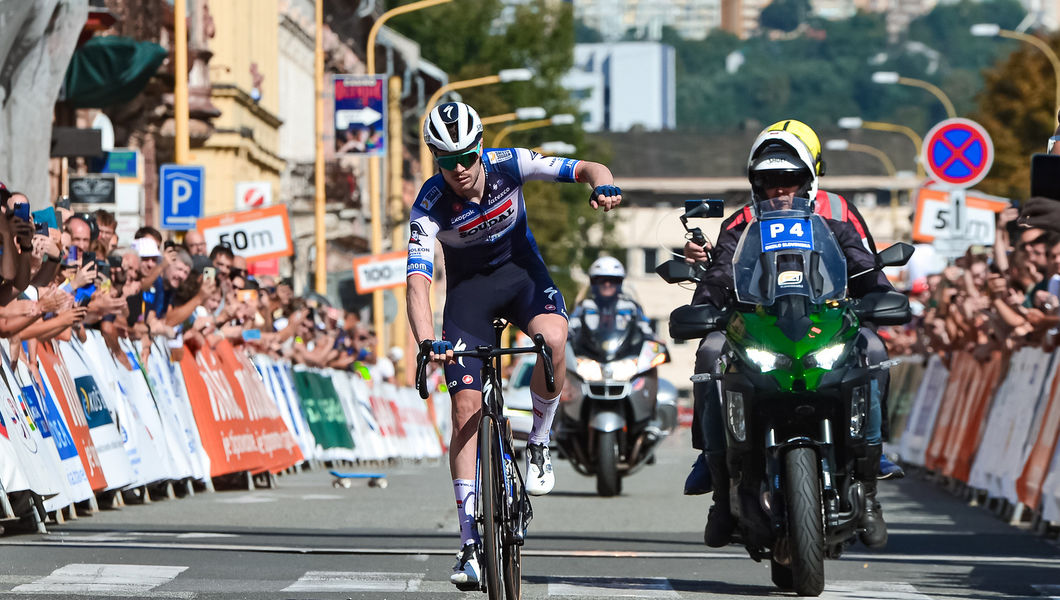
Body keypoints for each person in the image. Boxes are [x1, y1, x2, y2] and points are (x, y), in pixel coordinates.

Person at [405, 101, 621, 588]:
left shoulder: (510, 164)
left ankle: (541, 439)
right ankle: (467, 544)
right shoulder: (429, 203)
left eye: (465, 156)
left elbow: (587, 166)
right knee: (465, 408)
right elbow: (417, 283)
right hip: (469, 297)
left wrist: (602, 184)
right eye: (445, 160)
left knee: (553, 338)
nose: (458, 169)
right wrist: (427, 341)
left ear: (480, 147)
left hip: (522, 277)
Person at [682, 119, 897, 550]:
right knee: (709, 351)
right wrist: (702, 305)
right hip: (756, 330)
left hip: (825, 329)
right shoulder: (740, 221)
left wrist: (882, 297)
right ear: (754, 183)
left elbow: (865, 269)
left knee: (874, 346)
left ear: (809, 179)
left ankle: (870, 475)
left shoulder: (837, 217)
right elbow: (721, 274)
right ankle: (717, 475)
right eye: (768, 181)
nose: (780, 190)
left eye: (791, 179)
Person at [568, 256, 655, 342]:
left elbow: (644, 326)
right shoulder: (584, 306)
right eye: (602, 280)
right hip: (587, 353)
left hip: (625, 353)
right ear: (593, 282)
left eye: (613, 280)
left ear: (620, 283)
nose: (607, 284)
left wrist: (653, 338)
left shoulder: (630, 307)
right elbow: (571, 325)